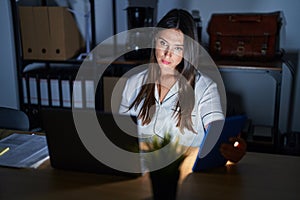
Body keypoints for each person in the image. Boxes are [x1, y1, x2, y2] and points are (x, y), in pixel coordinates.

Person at [119, 9, 246, 163]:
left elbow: (216, 133)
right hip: (141, 172)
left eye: (177, 48)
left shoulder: (205, 87)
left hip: (186, 177)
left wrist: (231, 149)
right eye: (163, 43)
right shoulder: (133, 82)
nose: (167, 54)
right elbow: (122, 138)